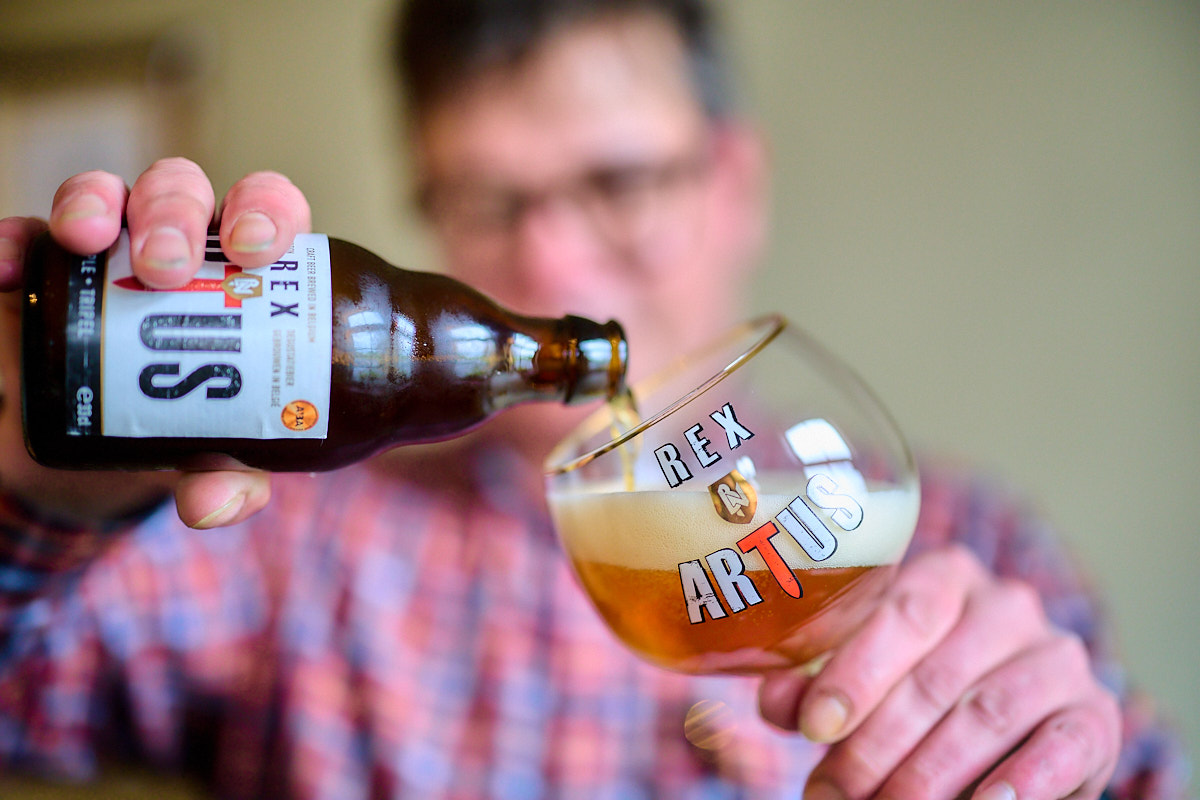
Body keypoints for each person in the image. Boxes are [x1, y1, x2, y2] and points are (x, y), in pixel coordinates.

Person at [0, 0, 1189, 797]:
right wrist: (35, 475)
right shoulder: (287, 541)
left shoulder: (970, 551)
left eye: (619, 182)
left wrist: (1057, 763)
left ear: (735, 184)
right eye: (490, 202)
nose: (558, 266)